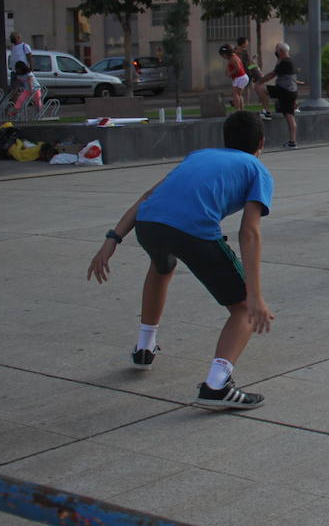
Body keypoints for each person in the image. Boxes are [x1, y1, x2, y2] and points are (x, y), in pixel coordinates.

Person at [86, 111, 275, 409]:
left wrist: (112, 239)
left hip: (149, 225)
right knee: (243, 310)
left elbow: (149, 195)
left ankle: (144, 349)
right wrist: (255, 295)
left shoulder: (199, 155)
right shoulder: (256, 168)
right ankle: (217, 385)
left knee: (163, 266)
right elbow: (249, 231)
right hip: (193, 230)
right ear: (261, 143)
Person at [260, 43, 298, 148]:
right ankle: (292, 142)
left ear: (280, 51)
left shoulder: (284, 62)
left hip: (283, 90)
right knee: (289, 116)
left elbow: (272, 74)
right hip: (291, 91)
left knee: (259, 88)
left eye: (276, 50)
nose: (275, 52)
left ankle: (267, 111)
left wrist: (260, 81)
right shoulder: (289, 61)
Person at [236, 36, 272, 119]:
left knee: (244, 92)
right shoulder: (243, 52)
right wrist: (255, 71)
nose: (248, 42)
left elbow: (247, 64)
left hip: (249, 74)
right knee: (246, 92)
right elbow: (248, 65)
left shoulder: (240, 52)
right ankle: (242, 109)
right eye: (246, 41)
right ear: (244, 43)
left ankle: (242, 109)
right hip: (249, 74)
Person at [219, 44, 247, 112]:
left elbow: (238, 68)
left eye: (223, 55)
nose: (223, 57)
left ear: (226, 53)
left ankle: (238, 110)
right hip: (241, 77)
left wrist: (230, 73)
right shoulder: (232, 57)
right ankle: (241, 110)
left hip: (240, 77)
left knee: (235, 94)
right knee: (238, 95)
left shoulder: (233, 58)